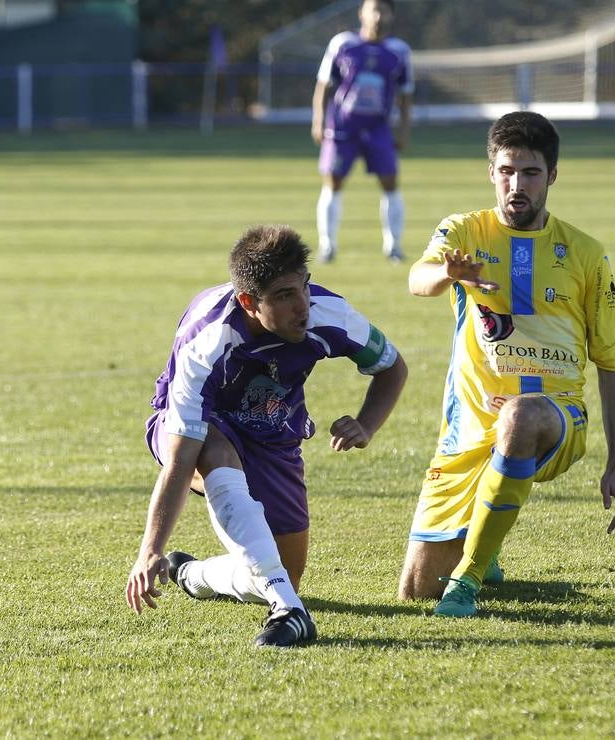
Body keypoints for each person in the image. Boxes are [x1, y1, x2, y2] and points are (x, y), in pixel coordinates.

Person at [125, 224, 408, 647]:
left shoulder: (329, 314)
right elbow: (181, 459)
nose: (302, 306)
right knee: (212, 450)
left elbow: (392, 366)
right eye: (283, 296)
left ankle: (192, 574)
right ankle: (290, 612)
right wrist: (150, 547)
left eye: (303, 287)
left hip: (273, 431)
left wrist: (366, 424)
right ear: (248, 302)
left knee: (281, 572)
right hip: (201, 426)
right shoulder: (207, 341)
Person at [397, 111, 615, 617]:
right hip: (470, 428)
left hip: (556, 418)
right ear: (491, 173)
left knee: (521, 416)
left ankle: (468, 577)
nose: (516, 184)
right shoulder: (465, 231)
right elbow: (418, 278)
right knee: (416, 588)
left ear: (552, 176)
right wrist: (449, 274)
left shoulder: (586, 254)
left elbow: (612, 364)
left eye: (530, 172)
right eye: (506, 171)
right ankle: (488, 541)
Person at [311, 0, 414, 264]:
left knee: (390, 183)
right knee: (333, 183)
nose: (378, 16)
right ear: (362, 13)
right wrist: (318, 120)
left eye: (384, 11)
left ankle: (393, 247)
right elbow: (324, 85)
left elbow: (406, 95)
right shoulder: (343, 44)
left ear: (391, 15)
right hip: (342, 128)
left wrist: (404, 131)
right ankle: (327, 246)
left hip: (378, 129)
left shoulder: (399, 51)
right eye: (373, 10)